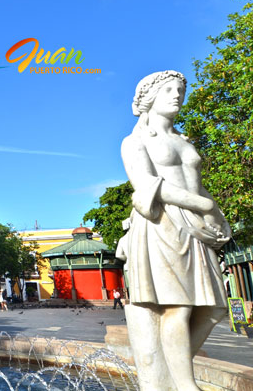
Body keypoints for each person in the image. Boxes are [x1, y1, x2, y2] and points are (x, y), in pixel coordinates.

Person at [119, 70, 230, 391]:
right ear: (149, 98)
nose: (176, 94)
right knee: (177, 307)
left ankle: (170, 376)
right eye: (168, 89)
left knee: (213, 308)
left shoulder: (184, 141)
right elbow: (146, 185)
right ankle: (185, 385)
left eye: (180, 89)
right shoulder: (135, 141)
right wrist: (204, 205)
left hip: (197, 225)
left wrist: (215, 214)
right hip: (162, 224)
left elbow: (199, 188)